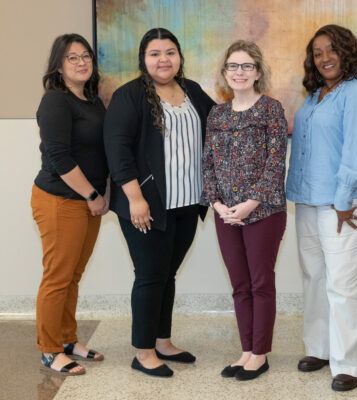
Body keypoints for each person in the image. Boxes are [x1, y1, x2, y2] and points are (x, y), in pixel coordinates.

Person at [104, 28, 215, 378]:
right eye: (155, 53)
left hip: (187, 203)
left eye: (170, 52)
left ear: (179, 57)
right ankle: (143, 351)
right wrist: (135, 199)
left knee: (167, 275)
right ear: (144, 58)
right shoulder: (130, 95)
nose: (163, 59)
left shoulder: (193, 91)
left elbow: (219, 126)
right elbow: (118, 151)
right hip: (147, 206)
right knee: (150, 276)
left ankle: (163, 341)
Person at [286, 24, 357, 391]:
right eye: (317, 53)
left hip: (342, 202)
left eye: (332, 50)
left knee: (341, 282)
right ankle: (320, 348)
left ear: (347, 51)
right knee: (314, 276)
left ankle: (349, 363)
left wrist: (342, 199)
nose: (324, 58)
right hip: (308, 200)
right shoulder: (314, 95)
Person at [201, 40, 287, 381]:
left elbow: (276, 163)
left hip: (263, 212)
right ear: (224, 73)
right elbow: (207, 164)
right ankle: (246, 350)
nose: (239, 72)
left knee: (260, 283)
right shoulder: (217, 114)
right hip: (226, 215)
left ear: (258, 72)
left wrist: (249, 205)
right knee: (239, 284)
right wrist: (220, 205)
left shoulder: (271, 109)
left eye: (246, 66)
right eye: (233, 66)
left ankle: (261, 354)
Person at [31, 33, 109, 375]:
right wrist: (92, 194)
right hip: (60, 200)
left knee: (73, 275)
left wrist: (101, 193)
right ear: (58, 66)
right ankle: (49, 350)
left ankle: (66, 338)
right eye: (72, 58)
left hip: (88, 202)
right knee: (58, 276)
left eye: (86, 56)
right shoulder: (56, 101)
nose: (81, 62)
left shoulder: (92, 101)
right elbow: (59, 157)